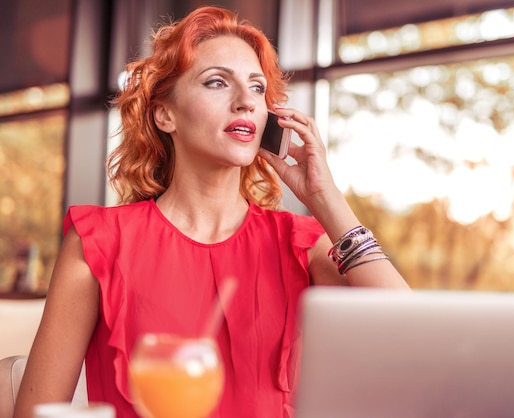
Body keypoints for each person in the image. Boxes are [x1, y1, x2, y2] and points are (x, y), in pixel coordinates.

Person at [13, 5, 409, 418]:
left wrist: (325, 198)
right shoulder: (99, 242)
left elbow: (409, 337)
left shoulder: (301, 244)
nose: (245, 102)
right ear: (165, 114)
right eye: (218, 82)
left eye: (257, 88)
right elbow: (38, 411)